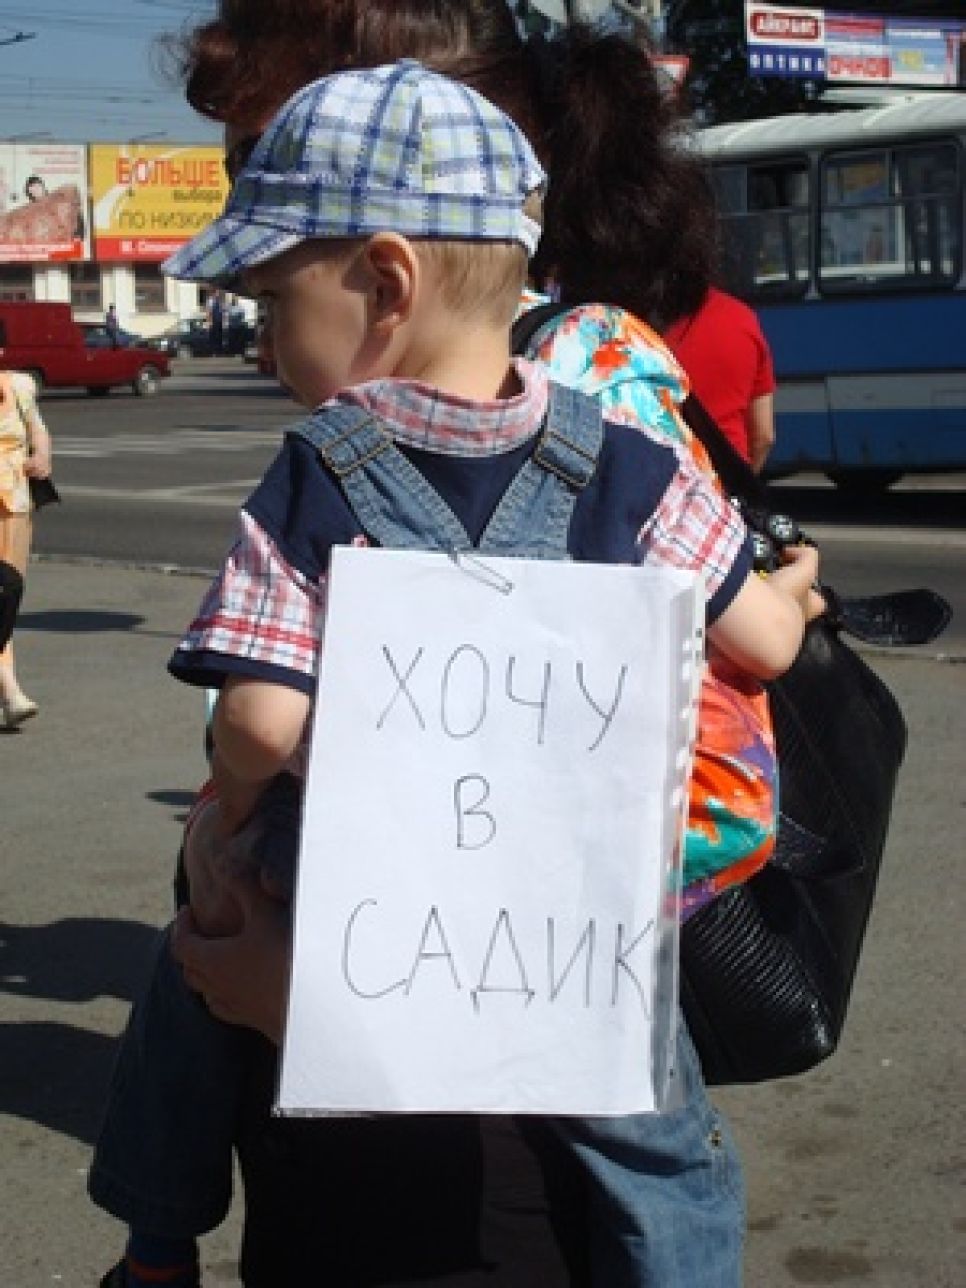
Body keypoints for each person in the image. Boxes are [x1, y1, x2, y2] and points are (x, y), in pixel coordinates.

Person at [89, 59, 819, 1288]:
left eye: (273, 299)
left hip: (366, 907)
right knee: (664, 1142)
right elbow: (767, 645)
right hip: (580, 921)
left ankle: (158, 1246)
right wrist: (789, 593)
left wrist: (227, 808)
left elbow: (262, 719)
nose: (265, 340)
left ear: (385, 282)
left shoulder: (318, 469)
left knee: (186, 989)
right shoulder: (631, 456)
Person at [664, 286, 777, 473]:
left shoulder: (629, 325)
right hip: (726, 479)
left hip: (665, 483)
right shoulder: (741, 317)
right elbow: (764, 436)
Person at [0, 369, 51, 729]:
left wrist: (43, 456)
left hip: (14, 503)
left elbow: (38, 429)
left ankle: (7, 688)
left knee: (7, 595)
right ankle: (8, 687)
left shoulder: (19, 386)